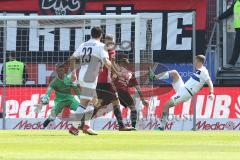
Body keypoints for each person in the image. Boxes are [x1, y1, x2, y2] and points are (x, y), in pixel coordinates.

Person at [67, 27, 118, 135]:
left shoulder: (83, 44)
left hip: (82, 75)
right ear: (101, 36)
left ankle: (85, 126)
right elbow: (106, 61)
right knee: (94, 101)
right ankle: (75, 126)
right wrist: (115, 71)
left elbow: (72, 58)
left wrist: (73, 73)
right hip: (90, 76)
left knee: (86, 102)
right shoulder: (101, 46)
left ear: (91, 34)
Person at [149, 55, 214, 130]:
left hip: (185, 93)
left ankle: (161, 126)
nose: (194, 62)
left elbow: (209, 82)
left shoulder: (204, 71)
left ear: (199, 61)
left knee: (166, 105)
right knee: (174, 73)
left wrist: (211, 93)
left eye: (195, 60)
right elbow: (198, 82)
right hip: (183, 88)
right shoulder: (199, 70)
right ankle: (153, 77)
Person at [95, 35, 132, 131]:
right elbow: (110, 66)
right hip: (106, 82)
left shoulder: (102, 51)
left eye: (111, 41)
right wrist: (118, 74)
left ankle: (121, 125)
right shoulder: (110, 52)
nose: (110, 43)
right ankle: (82, 122)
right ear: (105, 41)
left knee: (108, 103)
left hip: (101, 81)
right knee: (106, 103)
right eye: (109, 41)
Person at [35, 64, 83, 131]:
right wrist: (45, 99)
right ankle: (42, 127)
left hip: (70, 99)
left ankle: (78, 127)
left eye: (62, 70)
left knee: (81, 110)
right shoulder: (54, 82)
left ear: (64, 71)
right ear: (56, 71)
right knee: (52, 116)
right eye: (59, 70)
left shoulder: (69, 79)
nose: (61, 72)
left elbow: (76, 89)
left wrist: (81, 98)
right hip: (59, 101)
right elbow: (48, 91)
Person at [112, 57, 149, 130]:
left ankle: (84, 122)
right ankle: (133, 127)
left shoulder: (117, 71)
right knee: (133, 108)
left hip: (113, 91)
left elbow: (112, 79)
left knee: (110, 106)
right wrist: (143, 100)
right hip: (122, 91)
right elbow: (138, 88)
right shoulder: (130, 74)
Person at [217, 0, 240, 69]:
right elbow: (229, 11)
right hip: (239, 28)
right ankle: (231, 63)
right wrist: (219, 17)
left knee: (237, 46)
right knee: (237, 45)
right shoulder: (236, 2)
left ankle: (231, 63)